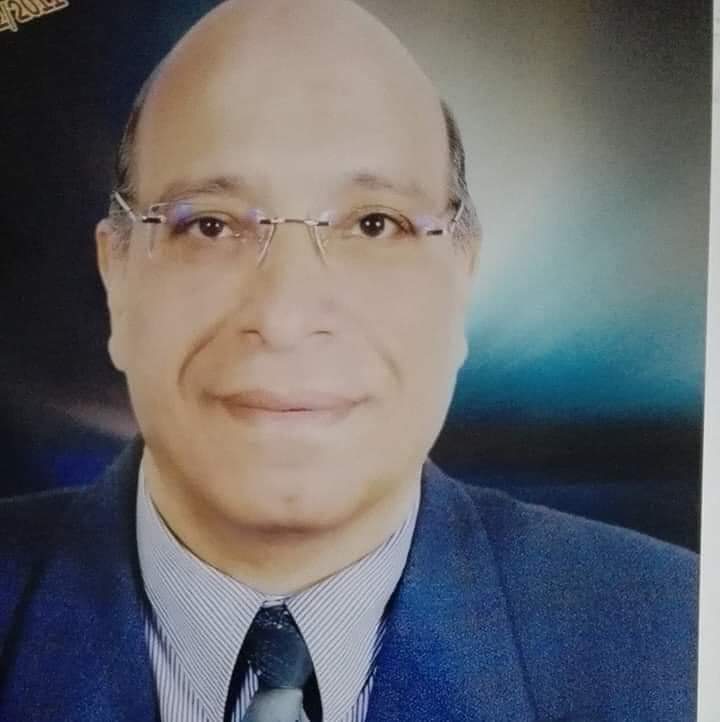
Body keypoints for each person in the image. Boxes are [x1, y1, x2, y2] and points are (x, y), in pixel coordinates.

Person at [0, 1, 697, 720]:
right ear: (116, 277)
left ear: (461, 278)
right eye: (209, 225)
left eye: (373, 223)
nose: (285, 317)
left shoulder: (680, 642)